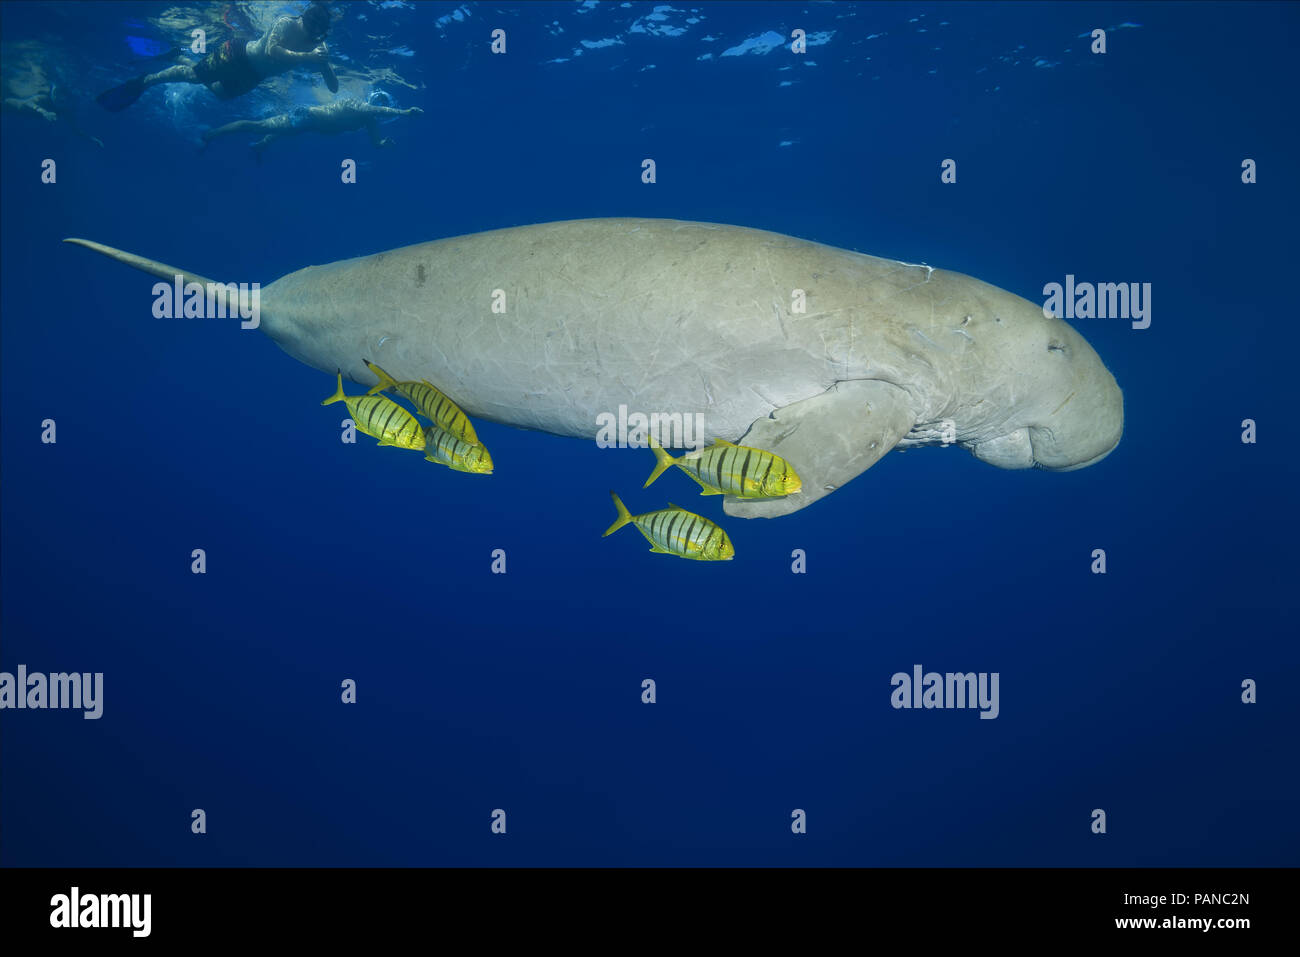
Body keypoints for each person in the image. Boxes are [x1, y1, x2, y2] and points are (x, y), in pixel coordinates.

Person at [97, 1, 338, 111]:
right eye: (310, 20)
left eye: (317, 26)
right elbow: (271, 51)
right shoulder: (286, 22)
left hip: (254, 75)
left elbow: (334, 88)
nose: (311, 27)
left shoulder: (318, 46)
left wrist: (324, 63)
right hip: (237, 53)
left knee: (220, 94)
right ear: (304, 16)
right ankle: (145, 82)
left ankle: (177, 56)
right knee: (194, 77)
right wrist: (307, 58)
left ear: (322, 30)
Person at [201, 96, 423, 156]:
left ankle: (261, 145)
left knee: (275, 131)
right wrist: (404, 112)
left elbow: (376, 143)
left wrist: (384, 143)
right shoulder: (357, 105)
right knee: (257, 125)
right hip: (307, 117)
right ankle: (212, 133)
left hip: (308, 125)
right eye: (378, 103)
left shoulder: (370, 121)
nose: (377, 107)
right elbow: (376, 110)